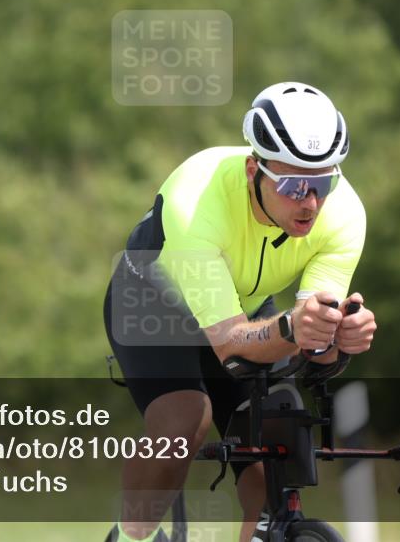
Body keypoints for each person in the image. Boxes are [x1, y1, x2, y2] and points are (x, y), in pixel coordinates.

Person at [103, 82, 377, 542]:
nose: (309, 201)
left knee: (281, 422)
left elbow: (310, 346)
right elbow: (232, 346)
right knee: (186, 416)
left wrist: (337, 339)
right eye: (292, 185)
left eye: (322, 183)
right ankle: (132, 536)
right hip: (153, 304)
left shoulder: (344, 214)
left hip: (242, 305)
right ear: (255, 169)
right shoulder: (197, 201)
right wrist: (294, 327)